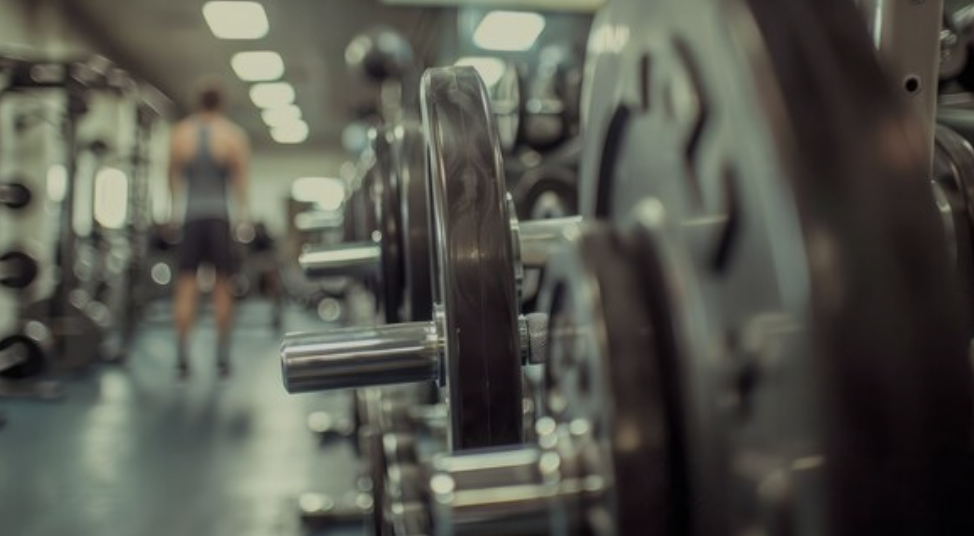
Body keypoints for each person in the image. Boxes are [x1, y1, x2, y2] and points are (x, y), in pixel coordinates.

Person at [168, 80, 250, 379]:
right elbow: (240, 183)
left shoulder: (181, 134)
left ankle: (181, 359)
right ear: (221, 103)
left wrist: (173, 214)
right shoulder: (231, 135)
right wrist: (243, 219)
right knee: (221, 286)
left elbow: (173, 178)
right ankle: (222, 358)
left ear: (196, 102)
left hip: (191, 217)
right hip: (218, 218)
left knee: (186, 287)